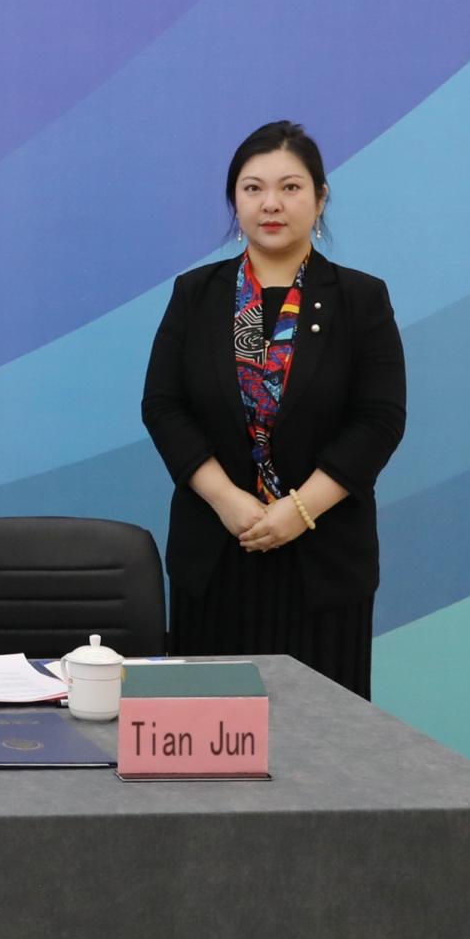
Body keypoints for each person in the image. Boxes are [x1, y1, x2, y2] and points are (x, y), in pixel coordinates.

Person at [140, 120, 404, 697]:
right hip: (218, 552)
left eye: (290, 187)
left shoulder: (360, 299)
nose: (271, 204)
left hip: (323, 559)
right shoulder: (197, 294)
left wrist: (300, 511)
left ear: (320, 197)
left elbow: (379, 420)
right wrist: (226, 498)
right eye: (253, 188)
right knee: (211, 731)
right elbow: (163, 406)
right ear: (235, 201)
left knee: (323, 735)